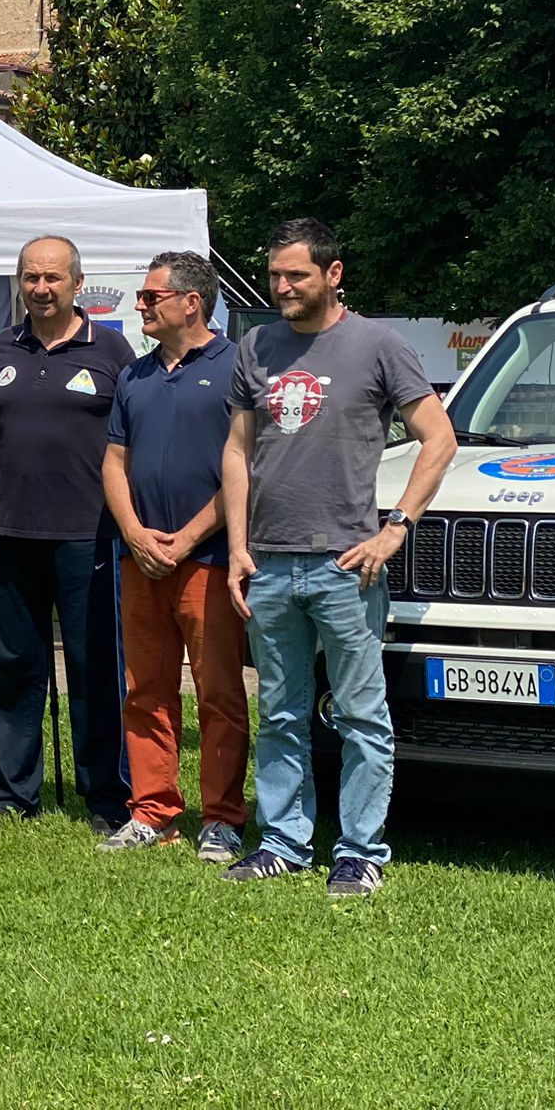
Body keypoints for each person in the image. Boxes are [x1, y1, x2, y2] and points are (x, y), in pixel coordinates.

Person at [220, 218, 453, 897]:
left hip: (346, 566)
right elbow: (237, 451)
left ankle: (359, 852)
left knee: (360, 715)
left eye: (296, 275)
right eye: (274, 276)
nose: (282, 286)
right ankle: (283, 844)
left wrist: (396, 527)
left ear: (333, 273)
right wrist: (236, 546)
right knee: (283, 713)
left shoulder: (379, 345)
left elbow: (437, 439)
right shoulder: (256, 345)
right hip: (268, 562)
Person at [0, 235, 135, 830]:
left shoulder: (112, 350)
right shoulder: (1, 347)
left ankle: (104, 795)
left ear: (76, 281)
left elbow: (130, 444)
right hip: (15, 533)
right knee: (12, 667)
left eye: (53, 278)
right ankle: (14, 794)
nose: (41, 289)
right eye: (30, 278)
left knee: (95, 668)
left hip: (89, 534)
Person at [98, 250, 250, 863]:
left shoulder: (237, 366)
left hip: (208, 560)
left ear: (192, 302)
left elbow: (246, 467)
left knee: (218, 695)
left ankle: (222, 818)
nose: (139, 305)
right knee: (145, 690)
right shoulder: (133, 375)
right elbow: (114, 463)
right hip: (140, 561)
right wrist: (135, 532)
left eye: (150, 296)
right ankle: (152, 810)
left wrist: (185, 540)